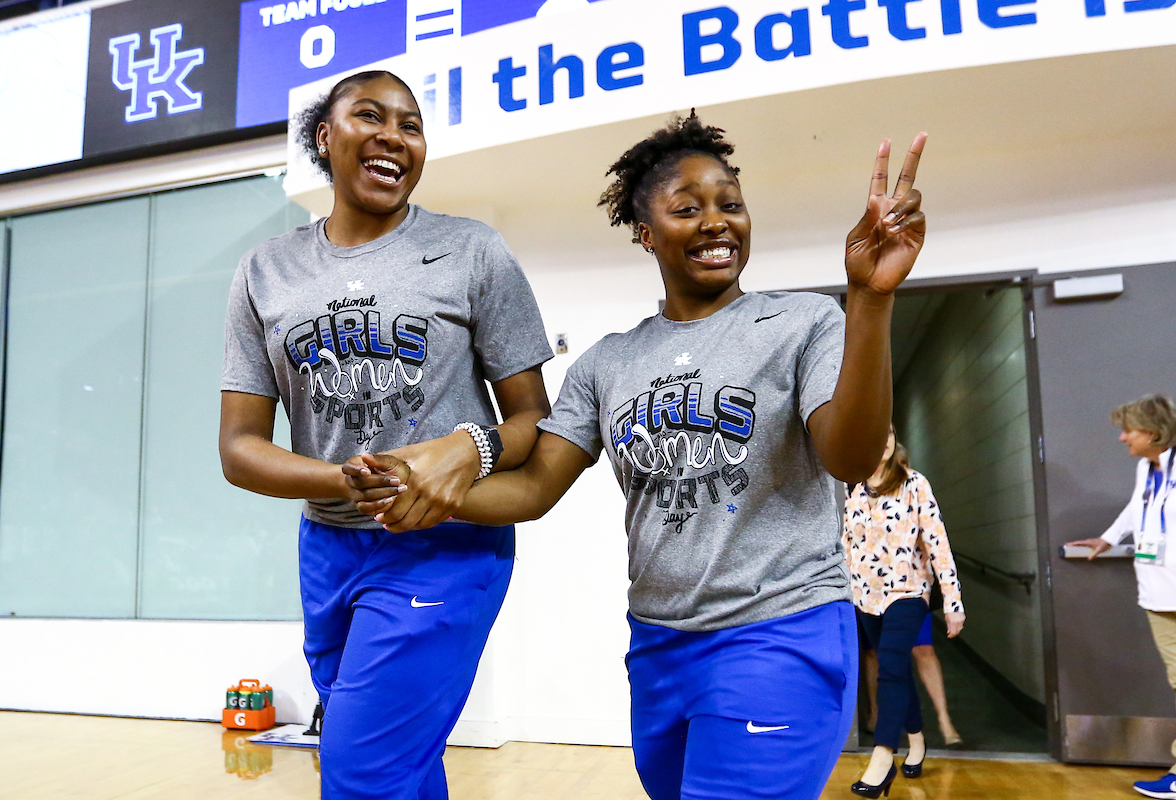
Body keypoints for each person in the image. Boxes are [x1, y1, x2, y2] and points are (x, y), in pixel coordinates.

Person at [355, 114, 928, 799]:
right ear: (646, 232)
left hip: (778, 633)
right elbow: (536, 487)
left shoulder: (801, 324)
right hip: (657, 647)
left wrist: (869, 299)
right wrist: (424, 492)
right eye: (688, 208)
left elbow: (851, 456)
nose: (717, 221)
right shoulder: (606, 363)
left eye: (731, 205)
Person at [217, 70, 554, 799]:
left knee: (361, 766)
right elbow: (239, 449)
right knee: (391, 759)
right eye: (370, 116)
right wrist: (351, 479)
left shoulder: (471, 251)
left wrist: (468, 449)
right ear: (324, 138)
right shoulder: (264, 271)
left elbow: (535, 418)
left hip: (444, 547)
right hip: (328, 549)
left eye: (411, 125)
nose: (393, 137)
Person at [1065, 393, 1176, 800]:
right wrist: (1108, 539)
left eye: (1128, 430)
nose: (1122, 438)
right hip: (1159, 594)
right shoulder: (1148, 470)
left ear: (1153, 430)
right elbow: (1137, 510)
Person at [844, 426, 965, 791]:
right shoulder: (854, 487)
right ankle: (917, 739)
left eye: (889, 432)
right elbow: (847, 547)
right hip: (865, 596)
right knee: (895, 669)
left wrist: (953, 602)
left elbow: (938, 544)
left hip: (908, 592)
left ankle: (883, 756)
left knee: (891, 668)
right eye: (874, 431)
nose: (882, 439)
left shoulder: (914, 484)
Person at [860, 617, 964, 746]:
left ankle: (944, 719)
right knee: (873, 650)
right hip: (873, 600)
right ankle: (874, 711)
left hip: (911, 597)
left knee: (924, 648)